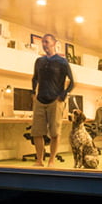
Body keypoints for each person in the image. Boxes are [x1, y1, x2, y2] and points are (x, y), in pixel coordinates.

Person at [31, 33, 74, 167]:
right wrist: (33, 93)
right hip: (40, 100)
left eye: (47, 42)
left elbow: (72, 81)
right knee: (37, 132)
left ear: (54, 44)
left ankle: (51, 161)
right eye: (43, 42)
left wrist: (63, 95)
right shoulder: (39, 61)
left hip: (55, 101)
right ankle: (39, 160)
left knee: (55, 133)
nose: (44, 45)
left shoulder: (62, 62)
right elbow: (35, 78)